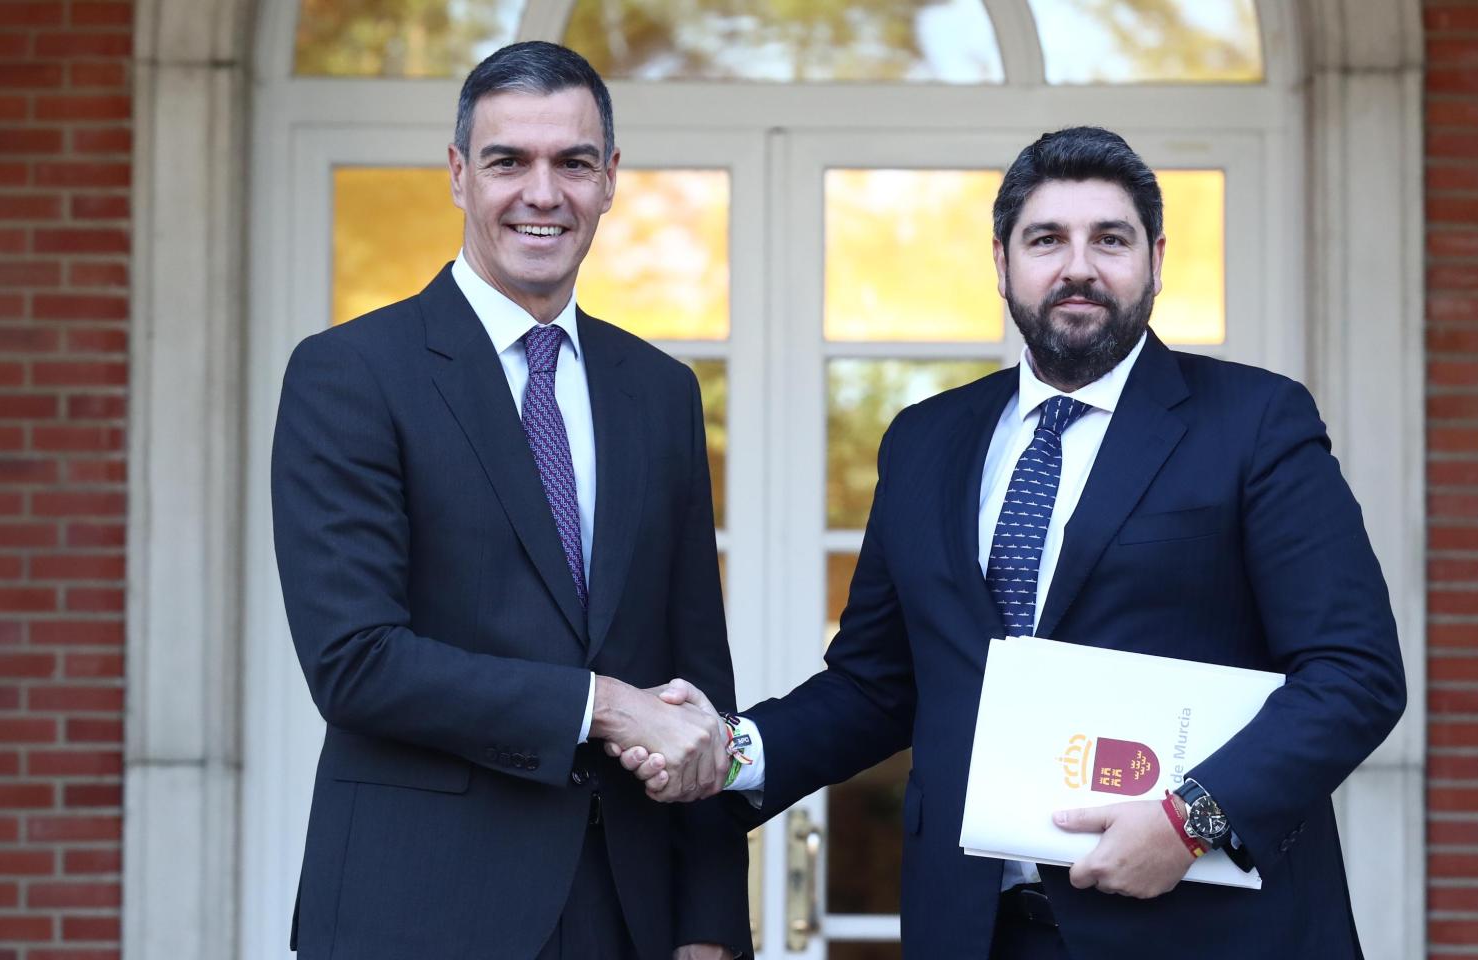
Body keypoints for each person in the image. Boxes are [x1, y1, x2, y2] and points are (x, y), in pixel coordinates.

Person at [617, 126, 1406, 959]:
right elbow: (877, 687)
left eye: (1110, 239)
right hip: (979, 928)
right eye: (1046, 240)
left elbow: (1354, 673)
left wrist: (1191, 822)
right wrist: (726, 750)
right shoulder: (926, 441)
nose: (1078, 267)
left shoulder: (1255, 423)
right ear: (1001, 263)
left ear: (1156, 260)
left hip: (1201, 927)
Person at [271, 41, 746, 960]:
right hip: (416, 910)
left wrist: (711, 924)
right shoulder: (350, 374)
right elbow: (355, 661)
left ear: (610, 179)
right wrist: (603, 704)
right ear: (457, 175)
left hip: (628, 910)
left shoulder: (659, 391)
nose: (542, 192)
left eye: (572, 162)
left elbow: (697, 677)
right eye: (507, 162)